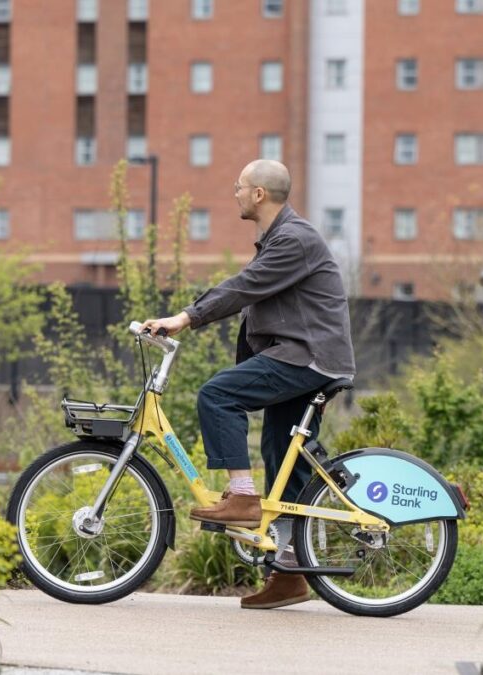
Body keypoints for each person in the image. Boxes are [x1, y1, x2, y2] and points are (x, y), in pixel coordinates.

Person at [140, 159, 355, 610]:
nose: (234, 193)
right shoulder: (282, 238)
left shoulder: (293, 240)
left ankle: (241, 498)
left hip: (308, 358)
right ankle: (290, 572)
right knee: (282, 457)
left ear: (259, 194)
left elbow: (244, 287)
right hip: (305, 357)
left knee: (218, 394)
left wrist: (185, 317)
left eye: (239, 187)